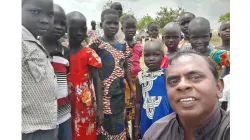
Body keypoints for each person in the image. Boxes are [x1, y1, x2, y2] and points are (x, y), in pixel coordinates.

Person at [143, 49, 230, 140]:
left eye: (195, 77)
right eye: (173, 81)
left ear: (218, 87)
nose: (182, 85)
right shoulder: (155, 134)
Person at [88, 9, 134, 140]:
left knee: (120, 125)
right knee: (105, 127)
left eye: (115, 23)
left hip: (120, 96)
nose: (113, 26)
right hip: (103, 97)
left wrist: (131, 88)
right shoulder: (96, 45)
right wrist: (99, 108)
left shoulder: (123, 45)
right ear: (101, 25)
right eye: (109, 23)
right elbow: (93, 74)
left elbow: (126, 69)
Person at [22, 0, 58, 140]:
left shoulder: (33, 42)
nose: (45, 20)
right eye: (35, 12)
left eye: (50, 15)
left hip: (45, 126)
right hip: (29, 130)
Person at [66, 11, 104, 140]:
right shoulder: (61, 52)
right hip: (66, 102)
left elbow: (97, 80)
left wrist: (100, 108)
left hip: (84, 103)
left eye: (82, 29)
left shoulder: (89, 53)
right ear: (66, 29)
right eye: (74, 29)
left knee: (85, 133)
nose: (79, 33)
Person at [39, 4, 72, 140]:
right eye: (55, 22)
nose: (59, 27)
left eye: (63, 24)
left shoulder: (66, 53)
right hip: (41, 119)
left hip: (64, 114)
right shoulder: (34, 50)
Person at [134, 39, 174, 140]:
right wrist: (136, 126)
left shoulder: (167, 74)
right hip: (147, 118)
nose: (151, 58)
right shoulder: (140, 78)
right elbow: (138, 103)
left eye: (156, 55)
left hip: (165, 115)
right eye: (147, 55)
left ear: (163, 56)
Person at [121, 14, 141, 140]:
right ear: (122, 29)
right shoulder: (120, 45)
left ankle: (135, 134)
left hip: (137, 82)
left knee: (136, 111)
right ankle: (126, 135)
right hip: (125, 84)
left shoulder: (139, 45)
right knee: (125, 112)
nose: (131, 30)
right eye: (127, 27)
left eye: (133, 27)